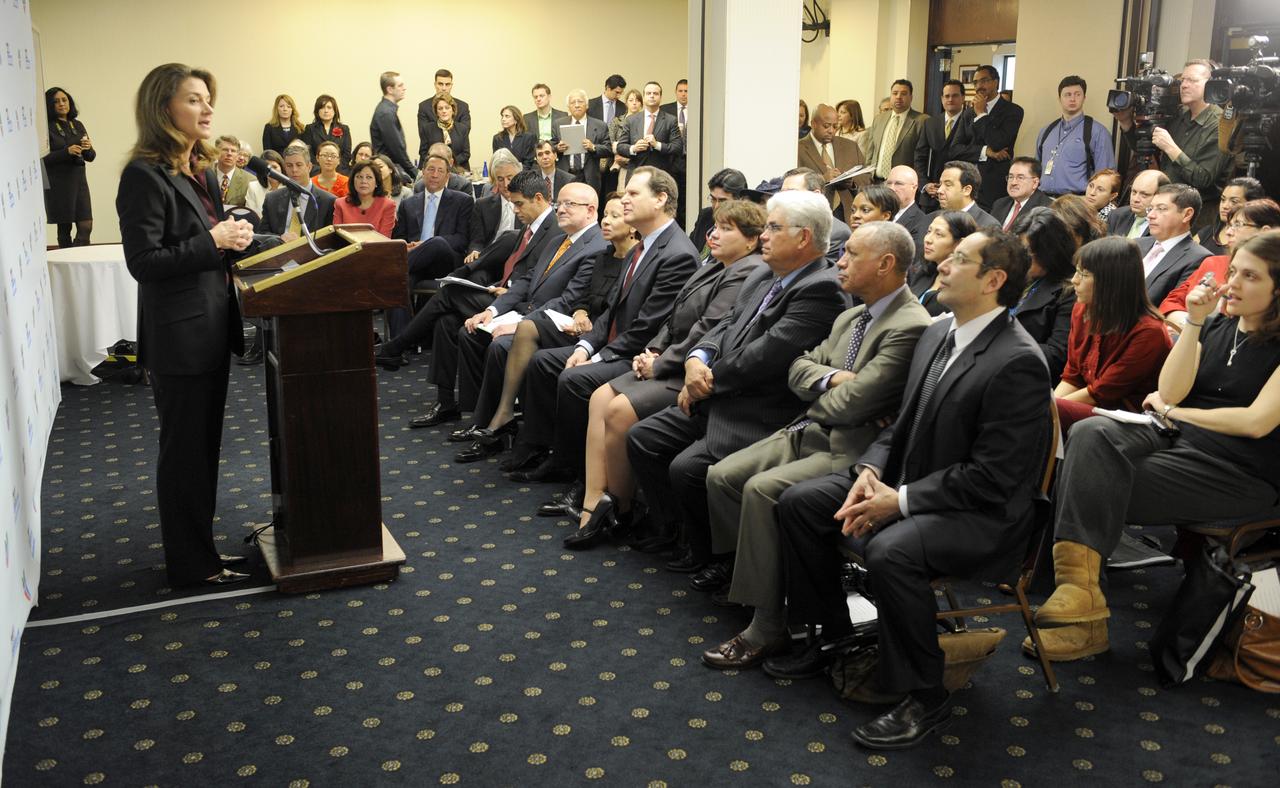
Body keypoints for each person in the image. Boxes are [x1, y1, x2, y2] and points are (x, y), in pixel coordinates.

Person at [771, 229, 1051, 750]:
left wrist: (896, 502)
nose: (941, 264)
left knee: (890, 550)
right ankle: (830, 637)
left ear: (993, 280)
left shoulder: (1017, 361)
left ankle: (927, 696)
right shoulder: (939, 331)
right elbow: (901, 425)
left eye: (959, 260)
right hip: (914, 485)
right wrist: (870, 474)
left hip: (985, 515)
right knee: (801, 504)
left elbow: (993, 479)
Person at [1032, 232, 1280, 663]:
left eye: (1250, 276)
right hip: (1174, 437)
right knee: (1089, 435)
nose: (1233, 282)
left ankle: (1083, 616)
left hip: (1237, 471)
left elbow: (1255, 423)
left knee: (1091, 480)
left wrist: (1179, 413)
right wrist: (1197, 323)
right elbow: (1172, 389)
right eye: (1234, 270)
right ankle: (1081, 596)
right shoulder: (1220, 324)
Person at [699, 222, 931, 666]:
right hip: (808, 430)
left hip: (851, 449)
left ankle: (768, 623)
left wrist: (823, 391)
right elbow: (797, 369)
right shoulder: (850, 315)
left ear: (885, 265)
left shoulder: (910, 325)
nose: (839, 262)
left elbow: (854, 405)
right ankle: (766, 585)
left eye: (851, 256)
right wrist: (831, 380)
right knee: (721, 475)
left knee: (760, 490)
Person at [626, 189, 847, 574]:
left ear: (804, 238)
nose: (764, 235)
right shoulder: (764, 270)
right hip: (718, 388)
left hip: (761, 406)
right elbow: (726, 324)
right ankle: (679, 532)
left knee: (687, 469)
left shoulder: (822, 288)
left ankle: (721, 558)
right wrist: (697, 358)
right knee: (643, 439)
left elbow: (768, 355)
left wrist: (708, 380)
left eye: (774, 228)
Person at [116, 63, 256, 587]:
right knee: (185, 457)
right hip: (179, 339)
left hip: (209, 330)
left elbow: (204, 246)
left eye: (207, 99)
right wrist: (214, 242)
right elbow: (144, 261)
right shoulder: (143, 175)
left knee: (202, 452)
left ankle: (203, 554)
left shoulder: (192, 171)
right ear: (164, 108)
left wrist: (235, 240)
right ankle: (192, 567)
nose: (207, 109)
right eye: (194, 99)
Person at [563, 199, 767, 547]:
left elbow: (706, 329)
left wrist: (661, 362)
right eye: (714, 226)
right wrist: (653, 350)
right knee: (599, 398)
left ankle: (623, 509)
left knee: (618, 410)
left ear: (751, 241)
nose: (713, 234)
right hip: (668, 359)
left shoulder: (746, 271)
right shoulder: (712, 265)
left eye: (726, 229)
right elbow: (673, 318)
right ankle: (593, 505)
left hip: (688, 370)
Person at [509, 167, 699, 482]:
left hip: (639, 354)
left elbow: (646, 326)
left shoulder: (676, 253)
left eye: (633, 194)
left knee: (573, 378)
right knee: (543, 362)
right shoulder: (643, 245)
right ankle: (542, 448)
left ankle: (576, 471)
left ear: (660, 199)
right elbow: (611, 311)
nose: (624, 200)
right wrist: (585, 345)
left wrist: (598, 355)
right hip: (617, 342)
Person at [452, 182, 608, 462]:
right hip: (530, 313)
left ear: (591, 210)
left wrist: (523, 321)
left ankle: (497, 425)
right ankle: (482, 418)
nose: (560, 208)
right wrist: (493, 310)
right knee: (471, 332)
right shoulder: (558, 239)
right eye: (559, 202)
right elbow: (526, 280)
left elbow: (569, 301)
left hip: (559, 324)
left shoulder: (596, 246)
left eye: (569, 204)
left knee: (501, 345)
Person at [1052, 237, 1171, 428]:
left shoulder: (1149, 332)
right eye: (1076, 271)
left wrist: (1049, 407)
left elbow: (1102, 393)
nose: (1074, 280)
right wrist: (1048, 404)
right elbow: (1072, 375)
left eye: (1083, 274)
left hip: (1126, 419)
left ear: (1111, 281)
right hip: (1089, 405)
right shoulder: (1083, 309)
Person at [1115, 59, 1229, 226]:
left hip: (1198, 215)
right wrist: (1126, 123)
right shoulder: (1178, 115)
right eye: (1183, 80)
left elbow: (1203, 179)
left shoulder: (1219, 124)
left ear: (1211, 85)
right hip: (1166, 207)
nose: (1184, 85)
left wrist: (1170, 148)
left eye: (1193, 80)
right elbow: (1145, 149)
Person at [388, 152, 474, 336]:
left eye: (440, 171)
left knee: (438, 243)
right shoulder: (408, 204)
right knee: (398, 282)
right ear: (423, 172)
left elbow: (462, 239)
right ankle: (399, 344)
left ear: (447, 176)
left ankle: (389, 269)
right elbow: (400, 237)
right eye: (431, 169)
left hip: (445, 261)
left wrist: (426, 244)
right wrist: (409, 246)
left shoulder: (462, 201)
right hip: (416, 264)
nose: (435, 175)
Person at [1160, 198, 1280, 326]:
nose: (1228, 232)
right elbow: (1171, 302)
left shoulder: (1271, 275)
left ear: (1264, 231)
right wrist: (1191, 324)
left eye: (1238, 225)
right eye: (1229, 225)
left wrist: (1199, 326)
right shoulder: (1212, 262)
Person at [1009, 207, 1080, 379]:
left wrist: (1004, 346)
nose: (1020, 259)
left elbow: (1057, 354)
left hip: (1029, 376)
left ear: (1050, 253)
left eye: (1027, 254)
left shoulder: (1071, 290)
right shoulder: (1015, 275)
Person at [1034, 76, 1117, 197]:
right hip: (1043, 199)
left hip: (1077, 201)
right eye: (1067, 95)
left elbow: (1106, 177)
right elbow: (1035, 169)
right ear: (1059, 99)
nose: (1072, 99)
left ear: (1084, 98)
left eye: (1077, 94)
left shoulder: (1098, 132)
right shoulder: (1046, 131)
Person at [1136, 183, 1213, 305]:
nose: (1150, 215)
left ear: (1187, 214)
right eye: (1150, 209)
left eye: (1161, 209)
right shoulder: (1136, 244)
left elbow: (1171, 306)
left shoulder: (1199, 259)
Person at [914, 79, 978, 213]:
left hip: (959, 195)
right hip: (932, 194)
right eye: (946, 96)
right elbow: (920, 157)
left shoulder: (972, 122)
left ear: (963, 98)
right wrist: (925, 184)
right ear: (942, 98)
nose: (950, 99)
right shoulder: (930, 123)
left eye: (955, 95)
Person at [44, 86, 97, 247]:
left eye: (64, 100)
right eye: (56, 102)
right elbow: (42, 159)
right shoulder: (46, 127)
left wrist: (88, 148)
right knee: (64, 227)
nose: (61, 104)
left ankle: (79, 260)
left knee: (86, 225)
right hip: (59, 183)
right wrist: (66, 152)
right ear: (49, 105)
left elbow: (91, 157)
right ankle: (66, 262)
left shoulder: (78, 124)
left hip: (79, 181)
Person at [797, 103, 866, 223]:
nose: (831, 131)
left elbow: (866, 180)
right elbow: (793, 184)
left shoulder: (850, 147)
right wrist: (822, 179)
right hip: (814, 215)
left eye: (835, 127)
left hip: (848, 214)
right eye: (826, 126)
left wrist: (852, 184)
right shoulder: (798, 148)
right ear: (813, 124)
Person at [969, 65, 1025, 210]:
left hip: (994, 186)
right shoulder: (968, 113)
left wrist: (981, 114)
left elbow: (998, 142)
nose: (979, 86)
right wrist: (985, 152)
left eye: (984, 81)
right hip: (968, 183)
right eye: (976, 82)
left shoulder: (1013, 111)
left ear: (996, 82)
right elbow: (955, 149)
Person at [258, 144, 337, 245]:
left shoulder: (328, 201)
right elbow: (261, 234)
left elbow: (330, 239)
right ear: (285, 168)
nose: (294, 170)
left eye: (299, 165)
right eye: (289, 165)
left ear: (309, 167)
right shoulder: (272, 198)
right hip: (278, 253)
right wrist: (280, 239)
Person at [913, 210, 978, 314]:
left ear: (960, 243)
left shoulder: (963, 289)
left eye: (938, 234)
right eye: (929, 231)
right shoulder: (923, 271)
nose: (928, 240)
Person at [863, 79, 928, 181]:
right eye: (895, 93)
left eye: (903, 94)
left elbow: (923, 156)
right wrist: (866, 175)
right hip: (875, 181)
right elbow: (870, 152)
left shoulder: (922, 121)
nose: (898, 97)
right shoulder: (879, 119)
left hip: (903, 183)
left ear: (911, 97)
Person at [465, 150, 522, 263]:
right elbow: (477, 241)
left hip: (518, 259)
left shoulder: (528, 205)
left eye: (510, 178)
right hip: (490, 258)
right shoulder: (482, 206)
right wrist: (475, 251)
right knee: (477, 276)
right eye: (500, 179)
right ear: (495, 181)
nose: (506, 184)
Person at [616, 81, 683, 175]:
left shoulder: (670, 120)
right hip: (636, 173)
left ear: (660, 97)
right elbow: (620, 147)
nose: (652, 96)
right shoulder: (631, 120)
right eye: (648, 93)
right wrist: (634, 148)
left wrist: (657, 145)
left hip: (661, 173)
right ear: (643, 97)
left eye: (655, 93)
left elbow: (677, 147)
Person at [553, 89, 610, 193]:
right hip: (566, 173)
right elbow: (552, 145)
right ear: (568, 107)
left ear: (587, 105)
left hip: (589, 175)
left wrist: (593, 147)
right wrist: (557, 148)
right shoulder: (558, 124)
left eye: (580, 101)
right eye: (572, 102)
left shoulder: (600, 125)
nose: (577, 105)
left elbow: (608, 149)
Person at [1194, 177, 1265, 256]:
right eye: (1223, 199)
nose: (1225, 206)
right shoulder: (1207, 233)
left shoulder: (1254, 241)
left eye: (1234, 201)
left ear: (1252, 204)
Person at [687, 168, 749, 260]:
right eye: (713, 199)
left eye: (722, 201)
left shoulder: (745, 228)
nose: (716, 207)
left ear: (740, 200)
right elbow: (689, 250)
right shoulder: (706, 215)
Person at [370, 71, 416, 182]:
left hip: (392, 168)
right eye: (400, 85)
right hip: (389, 171)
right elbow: (397, 148)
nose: (404, 88)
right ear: (390, 90)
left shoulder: (387, 110)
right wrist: (414, 171)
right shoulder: (386, 113)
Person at [333, 160, 395, 235]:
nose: (363, 181)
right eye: (359, 177)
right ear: (353, 181)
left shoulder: (387, 205)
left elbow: (384, 240)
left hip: (376, 246)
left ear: (377, 182)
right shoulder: (340, 203)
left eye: (369, 177)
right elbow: (337, 236)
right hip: (345, 246)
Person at [992, 156, 1052, 231]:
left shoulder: (1046, 208)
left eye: (1020, 178)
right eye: (1011, 177)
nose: (1013, 183)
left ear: (1035, 183)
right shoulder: (1000, 204)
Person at [934, 160, 999, 229]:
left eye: (948, 185)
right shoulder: (930, 219)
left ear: (967, 190)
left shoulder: (988, 226)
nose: (939, 190)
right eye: (940, 184)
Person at [1106, 169, 1168, 238]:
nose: (1135, 199)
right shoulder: (1117, 215)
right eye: (1134, 192)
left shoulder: (1166, 224)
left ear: (1161, 195)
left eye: (1144, 195)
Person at [417, 68, 471, 148]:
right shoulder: (424, 106)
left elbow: (464, 132)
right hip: (432, 154)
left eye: (447, 84)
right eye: (440, 84)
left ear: (451, 85)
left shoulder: (463, 106)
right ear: (435, 84)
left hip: (458, 155)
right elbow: (423, 134)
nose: (444, 88)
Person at [300, 94, 352, 173]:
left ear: (335, 111)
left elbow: (347, 154)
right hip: (316, 171)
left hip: (339, 170)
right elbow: (308, 153)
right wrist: (320, 168)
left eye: (329, 107)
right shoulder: (310, 129)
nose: (326, 110)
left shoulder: (344, 129)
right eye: (322, 107)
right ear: (317, 111)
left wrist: (335, 167)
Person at [419, 93, 470, 172]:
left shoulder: (462, 129)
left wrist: (449, 163)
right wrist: (439, 163)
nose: (444, 111)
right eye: (440, 108)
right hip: (435, 171)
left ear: (452, 110)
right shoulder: (428, 129)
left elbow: (466, 154)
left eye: (447, 108)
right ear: (436, 112)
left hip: (459, 170)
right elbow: (423, 152)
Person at [886, 165, 929, 253]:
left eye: (898, 184)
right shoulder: (877, 212)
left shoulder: (921, 221)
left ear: (914, 187)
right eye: (889, 183)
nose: (891, 188)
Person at [608, 88, 644, 188]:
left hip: (639, 162)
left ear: (641, 103)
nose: (634, 103)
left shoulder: (646, 121)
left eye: (637, 100)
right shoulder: (616, 121)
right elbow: (610, 141)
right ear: (626, 103)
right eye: (631, 100)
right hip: (618, 162)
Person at [210, 135, 251, 208]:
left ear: (237, 154)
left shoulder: (249, 180)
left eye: (233, 151)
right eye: (225, 150)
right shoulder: (203, 174)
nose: (229, 153)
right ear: (216, 152)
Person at [492, 105, 536, 170]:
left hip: (524, 175)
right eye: (502, 116)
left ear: (516, 119)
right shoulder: (497, 138)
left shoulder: (529, 137)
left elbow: (529, 162)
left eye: (507, 116)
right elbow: (496, 161)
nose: (503, 119)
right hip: (504, 175)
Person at [245, 149, 283, 217]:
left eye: (275, 167)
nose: (272, 171)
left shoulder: (289, 187)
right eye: (268, 168)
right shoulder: (253, 187)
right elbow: (250, 216)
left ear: (281, 167)